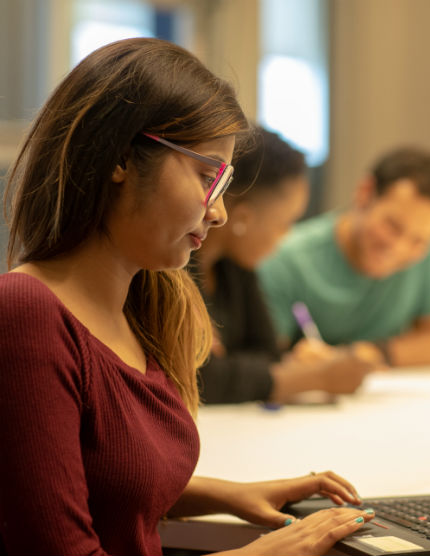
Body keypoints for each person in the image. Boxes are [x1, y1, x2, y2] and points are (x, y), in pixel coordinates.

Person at [0, 38, 373, 556]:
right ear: (122, 158)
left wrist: (227, 493)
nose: (217, 213)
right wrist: (264, 553)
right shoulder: (27, 314)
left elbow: (99, 478)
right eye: (206, 177)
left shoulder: (140, 307)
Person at [191, 126, 374, 404]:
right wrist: (316, 377)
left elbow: (266, 352)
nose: (286, 237)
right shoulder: (172, 266)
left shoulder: (235, 266)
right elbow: (199, 378)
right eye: (284, 223)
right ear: (243, 218)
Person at [257, 146, 430, 367]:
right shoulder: (286, 259)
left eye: (418, 241)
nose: (399, 247)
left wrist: (365, 356)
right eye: (392, 226)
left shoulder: (424, 253)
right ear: (365, 193)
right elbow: (265, 361)